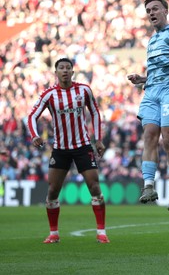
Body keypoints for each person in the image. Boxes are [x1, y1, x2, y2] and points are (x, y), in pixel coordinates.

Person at [27, 58, 109, 243]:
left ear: (73, 71)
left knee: (94, 186)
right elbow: (32, 115)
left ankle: (101, 232)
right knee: (53, 190)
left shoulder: (84, 90)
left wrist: (98, 139)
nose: (65, 71)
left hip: (82, 146)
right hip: (60, 148)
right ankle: (54, 233)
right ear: (55, 72)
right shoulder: (49, 95)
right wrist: (34, 135)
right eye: (61, 68)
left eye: (68, 68)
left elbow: (95, 112)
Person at [127, 0, 169, 211]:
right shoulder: (152, 40)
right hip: (152, 90)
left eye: (155, 9)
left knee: (168, 138)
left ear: (165, 10)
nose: (152, 13)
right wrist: (142, 79)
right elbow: (159, 69)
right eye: (149, 11)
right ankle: (148, 186)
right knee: (149, 134)